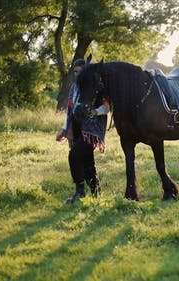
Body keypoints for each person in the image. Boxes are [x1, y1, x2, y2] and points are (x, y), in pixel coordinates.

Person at [56, 59, 110, 204]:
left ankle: (80, 192)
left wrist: (96, 111)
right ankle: (96, 193)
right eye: (75, 72)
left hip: (91, 130)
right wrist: (64, 129)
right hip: (77, 127)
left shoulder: (95, 85)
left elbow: (107, 106)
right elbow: (70, 110)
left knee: (74, 156)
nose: (77, 75)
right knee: (87, 162)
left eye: (79, 72)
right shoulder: (74, 87)